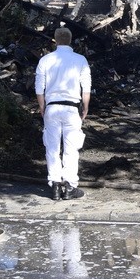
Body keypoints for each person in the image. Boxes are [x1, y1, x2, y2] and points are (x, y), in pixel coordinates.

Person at [35, 27, 91, 201]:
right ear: (70, 39)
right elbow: (86, 88)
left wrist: (42, 106)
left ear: (55, 40)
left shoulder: (45, 60)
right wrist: (85, 107)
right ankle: (70, 186)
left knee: (52, 148)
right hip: (71, 108)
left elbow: (39, 87)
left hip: (52, 108)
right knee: (71, 148)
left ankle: (55, 186)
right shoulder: (80, 60)